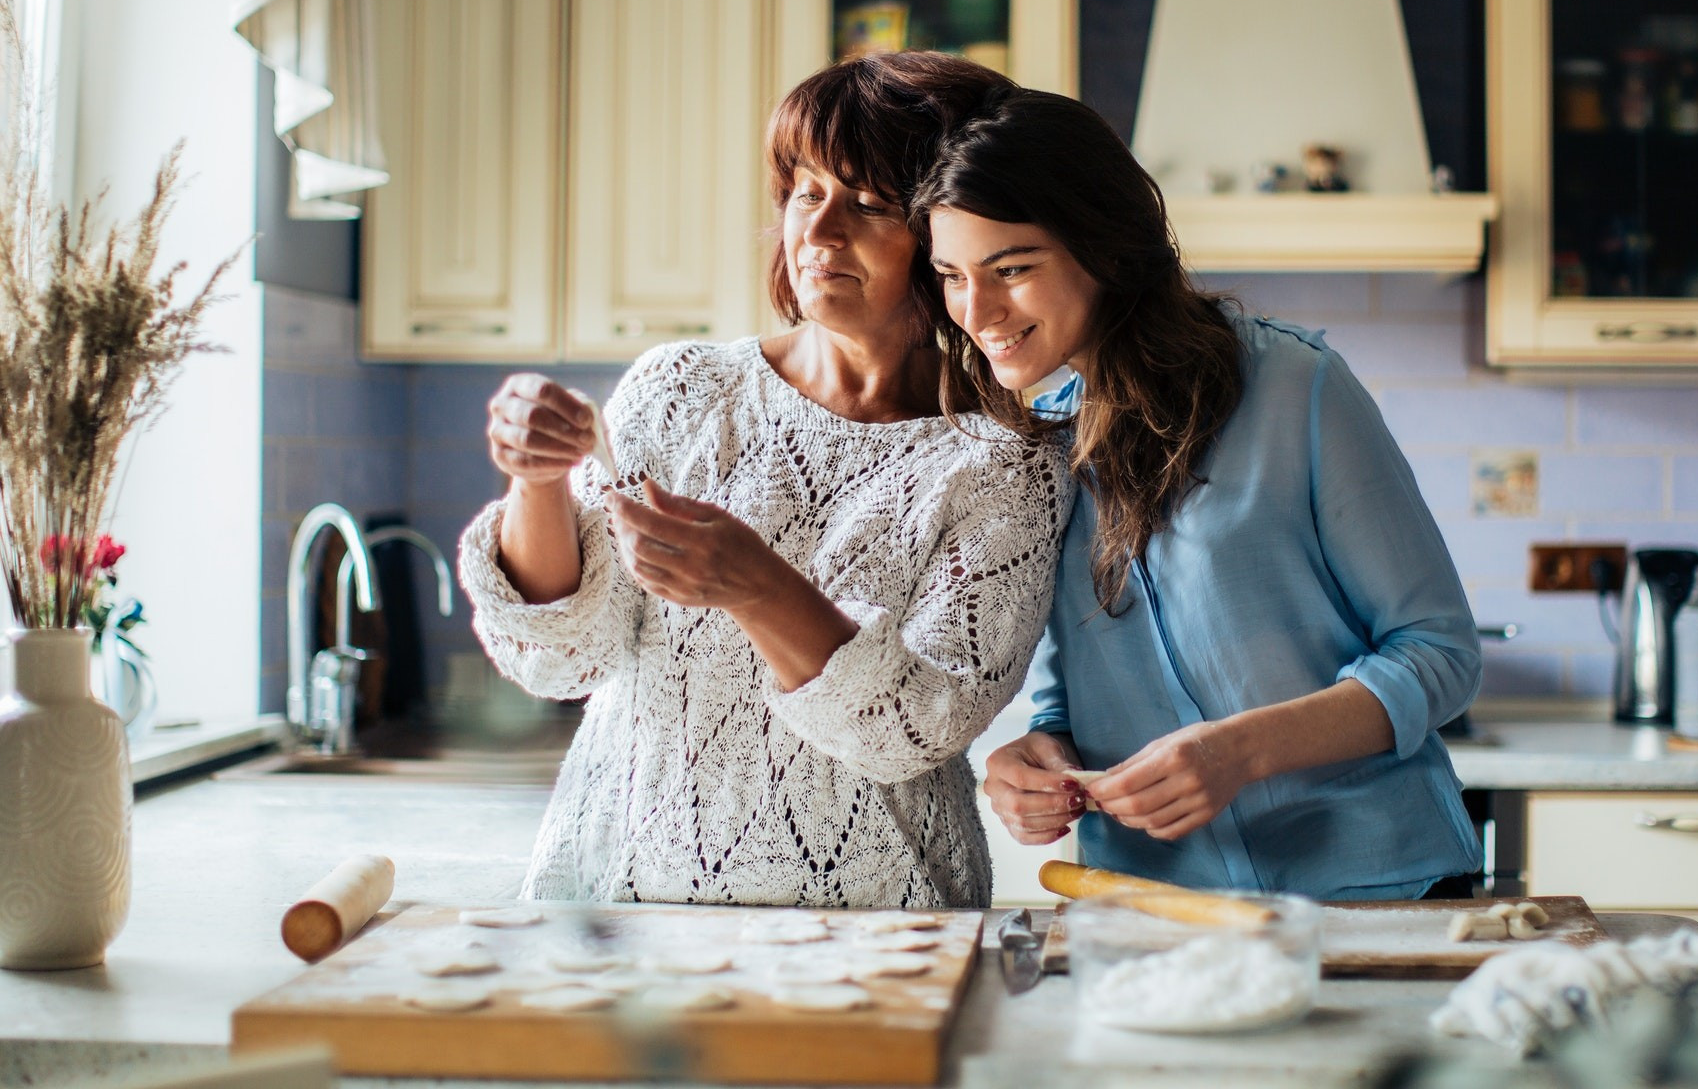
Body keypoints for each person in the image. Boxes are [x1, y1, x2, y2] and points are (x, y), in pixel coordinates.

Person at [457, 53, 1069, 908]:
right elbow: (562, 657)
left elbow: (915, 728)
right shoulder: (682, 390)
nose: (817, 235)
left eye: (867, 205)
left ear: (946, 233)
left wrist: (756, 587)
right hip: (620, 900)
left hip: (880, 923)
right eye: (804, 192)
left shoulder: (1006, 461)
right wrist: (538, 482)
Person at [915, 88, 1483, 900]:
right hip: (1155, 908)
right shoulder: (1027, 442)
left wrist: (1239, 753)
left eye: (1012, 269)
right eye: (951, 276)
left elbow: (1441, 654)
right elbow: (1068, 688)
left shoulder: (1296, 386)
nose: (978, 311)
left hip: (1376, 889)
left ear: (1104, 247)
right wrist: (1039, 755)